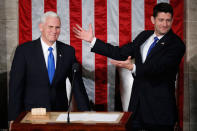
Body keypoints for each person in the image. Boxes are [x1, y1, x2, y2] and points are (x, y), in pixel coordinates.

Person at [73, 3, 185, 131]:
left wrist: (134, 68)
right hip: (137, 109)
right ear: (152, 20)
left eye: (168, 20)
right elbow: (121, 52)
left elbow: (160, 68)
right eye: (161, 20)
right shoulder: (144, 36)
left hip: (159, 112)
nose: (165, 24)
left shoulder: (176, 44)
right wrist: (93, 40)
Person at [8, 11, 90, 121]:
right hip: (31, 115)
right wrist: (13, 119)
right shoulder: (24, 51)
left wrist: (87, 115)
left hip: (59, 115)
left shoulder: (68, 51)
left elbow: (78, 86)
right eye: (50, 27)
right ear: (41, 27)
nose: (54, 31)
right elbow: (15, 88)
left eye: (57, 27)